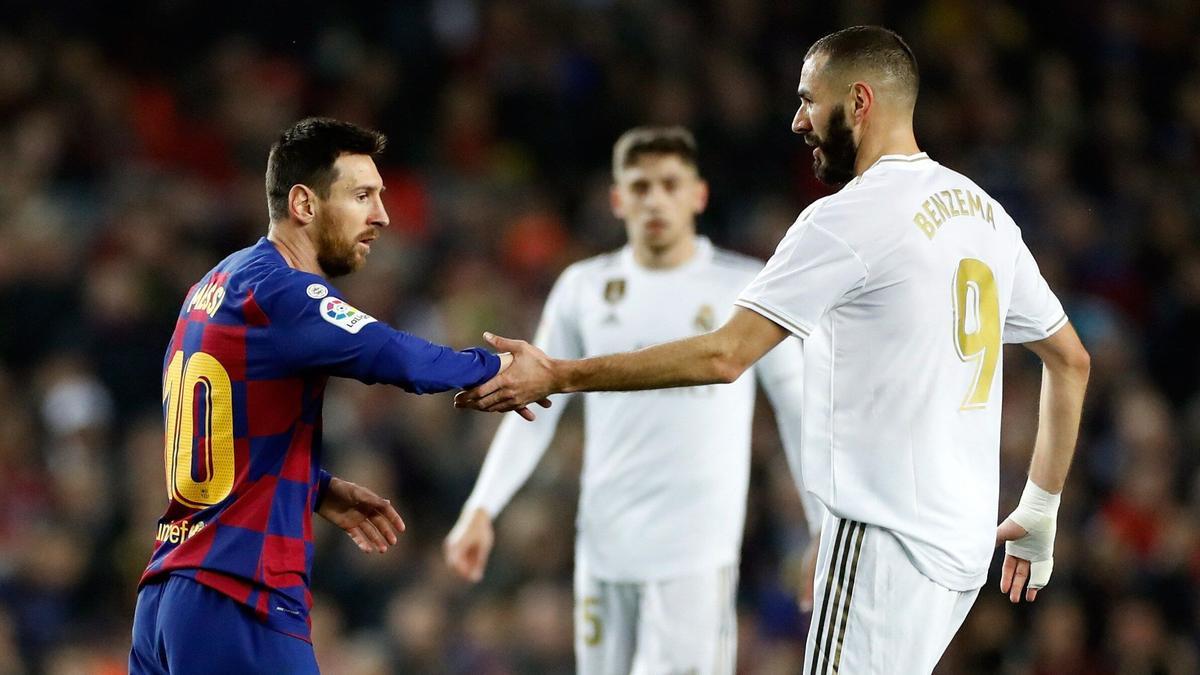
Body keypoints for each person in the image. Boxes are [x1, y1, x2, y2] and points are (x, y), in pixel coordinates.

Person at [455, 26, 1091, 674]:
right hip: (959, 548)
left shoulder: (849, 218)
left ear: (860, 102)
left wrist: (559, 373)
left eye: (809, 100)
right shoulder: (987, 217)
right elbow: (1071, 360)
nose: (796, 121)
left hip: (884, 537)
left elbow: (725, 355)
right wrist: (1041, 507)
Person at [129, 117, 521, 674]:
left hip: (168, 597)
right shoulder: (280, 291)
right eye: (362, 196)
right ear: (305, 205)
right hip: (239, 595)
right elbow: (395, 356)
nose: (382, 216)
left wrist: (309, 487)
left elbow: (214, 435)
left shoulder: (213, 286)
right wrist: (501, 365)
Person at [443, 127, 822, 675]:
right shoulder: (583, 287)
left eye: (670, 184)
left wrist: (818, 527)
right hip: (605, 544)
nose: (655, 200)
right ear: (619, 199)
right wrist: (482, 507)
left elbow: (798, 409)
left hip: (696, 552)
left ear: (698, 195)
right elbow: (534, 409)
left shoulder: (745, 287)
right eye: (640, 186)